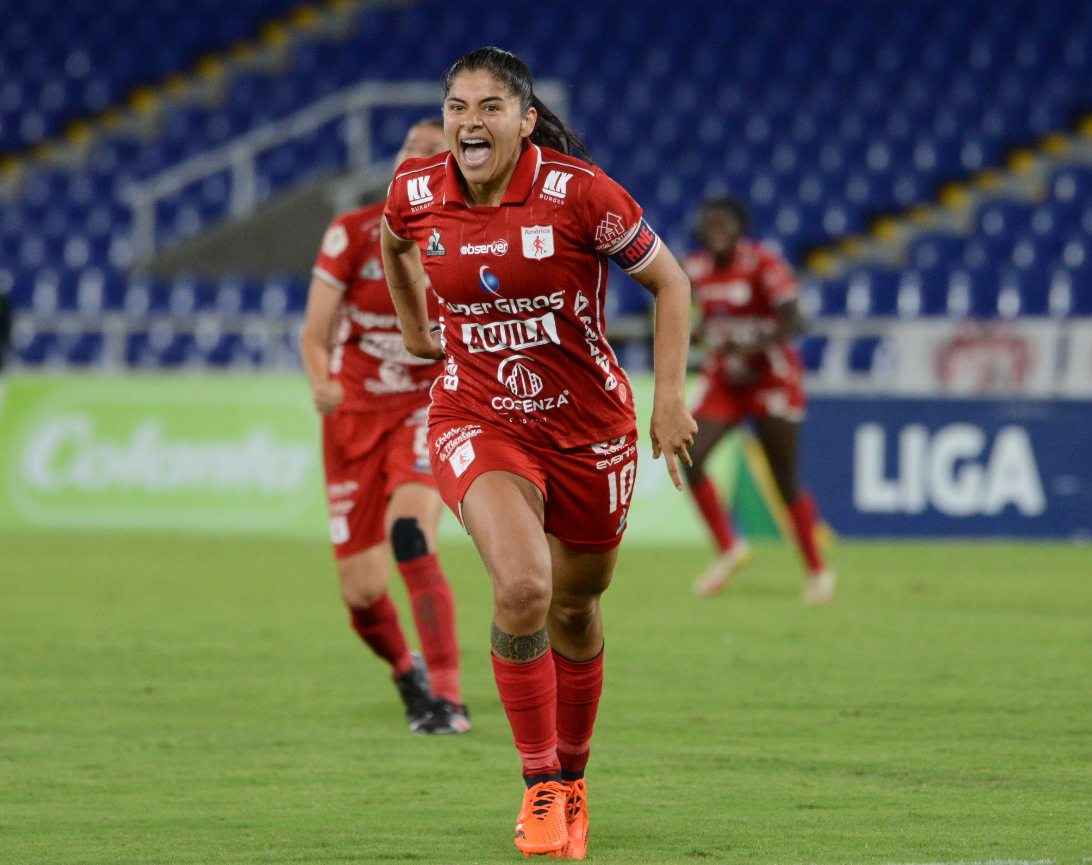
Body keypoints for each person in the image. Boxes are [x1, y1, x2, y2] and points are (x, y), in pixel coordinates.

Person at [381, 47, 695, 859]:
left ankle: (576, 774)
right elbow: (394, 243)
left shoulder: (581, 194)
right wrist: (418, 330)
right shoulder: (417, 190)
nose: (469, 122)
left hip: (588, 431)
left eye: (489, 107)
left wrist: (667, 397)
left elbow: (672, 282)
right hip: (476, 416)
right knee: (524, 586)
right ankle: (541, 787)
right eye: (456, 106)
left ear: (524, 121)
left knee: (576, 605)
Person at [300, 118, 470, 735]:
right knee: (362, 592)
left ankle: (449, 698)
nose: (415, 157)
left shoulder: (466, 238)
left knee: (409, 533)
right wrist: (321, 379)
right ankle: (409, 674)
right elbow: (314, 335)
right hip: (351, 420)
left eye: (433, 152)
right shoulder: (351, 234)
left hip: (425, 409)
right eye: (409, 148)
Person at [682, 196, 835, 605]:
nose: (715, 229)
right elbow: (681, 311)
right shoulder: (693, 267)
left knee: (785, 479)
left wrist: (753, 344)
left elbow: (797, 319)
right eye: (708, 222)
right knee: (689, 454)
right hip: (725, 381)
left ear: (739, 227)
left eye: (723, 222)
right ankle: (729, 548)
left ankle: (817, 571)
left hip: (771, 378)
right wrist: (697, 335)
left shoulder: (763, 264)